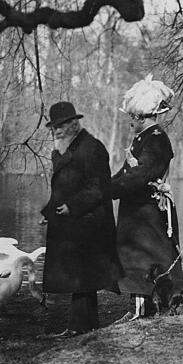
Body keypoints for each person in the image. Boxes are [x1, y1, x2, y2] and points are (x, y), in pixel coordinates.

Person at [39, 101, 117, 337]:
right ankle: (82, 325)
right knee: (78, 276)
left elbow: (98, 189)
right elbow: (63, 188)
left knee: (83, 276)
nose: (57, 130)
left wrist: (71, 207)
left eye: (62, 125)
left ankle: (81, 326)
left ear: (74, 123)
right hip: (73, 220)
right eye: (54, 126)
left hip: (90, 221)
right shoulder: (65, 149)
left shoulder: (92, 148)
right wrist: (50, 212)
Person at [111, 75, 183, 320]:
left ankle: (144, 310)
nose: (131, 121)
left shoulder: (156, 141)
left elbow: (139, 176)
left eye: (135, 117)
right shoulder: (142, 140)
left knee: (145, 257)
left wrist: (112, 189)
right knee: (135, 256)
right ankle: (142, 306)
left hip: (148, 211)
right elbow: (126, 173)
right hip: (137, 210)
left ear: (143, 117)